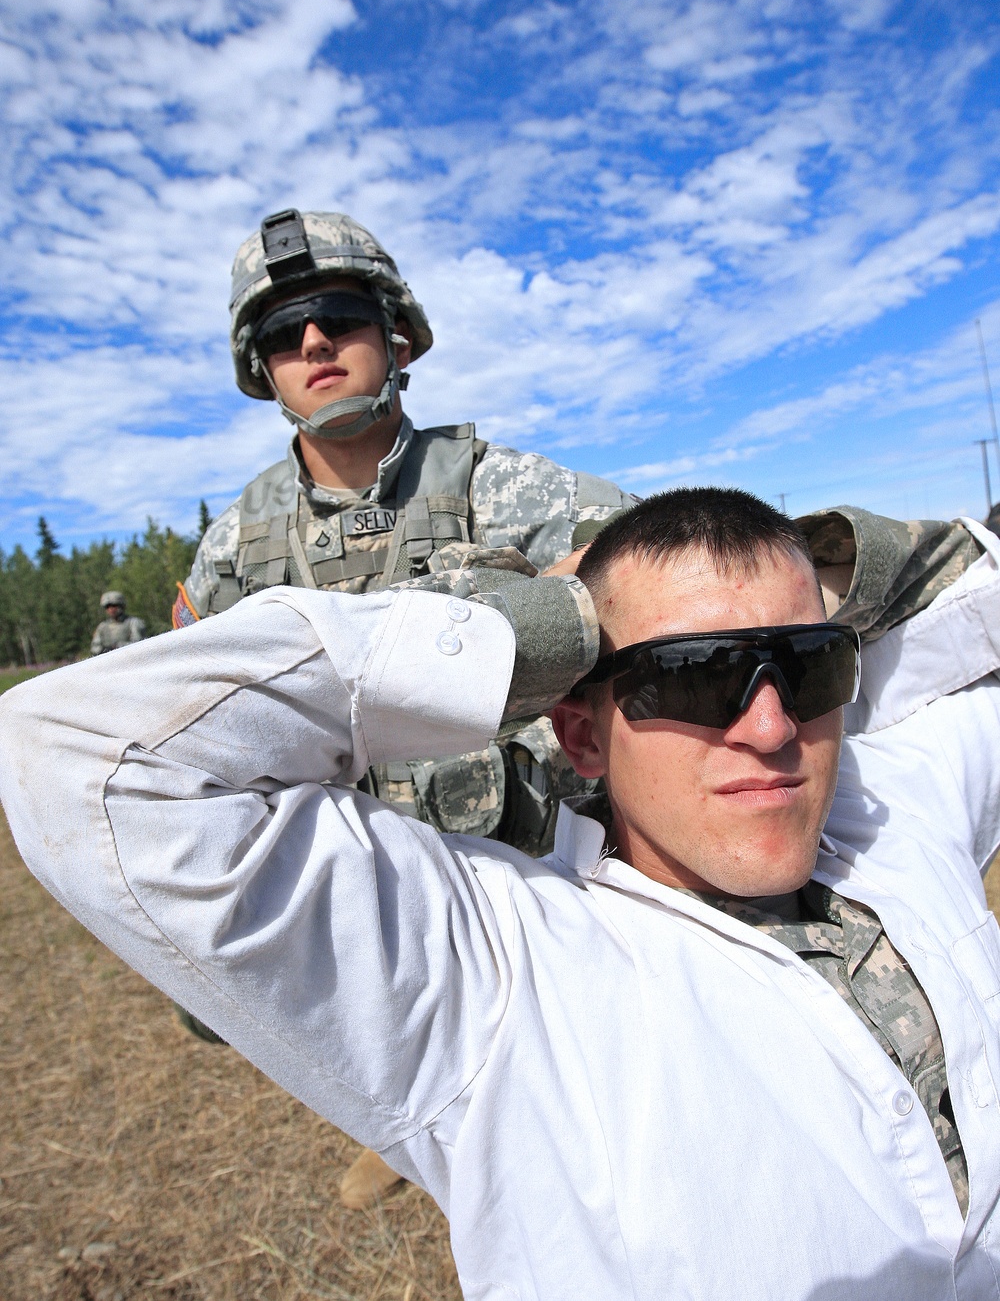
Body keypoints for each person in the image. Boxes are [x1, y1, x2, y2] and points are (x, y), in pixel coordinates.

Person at [3, 486, 999, 1300]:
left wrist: (807, 563)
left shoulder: (891, 807)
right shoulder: (496, 971)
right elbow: (83, 756)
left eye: (808, 663)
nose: (771, 726)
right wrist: (542, 625)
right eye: (697, 677)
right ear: (578, 733)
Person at [170, 206, 633, 1205]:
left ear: (396, 335)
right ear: (263, 369)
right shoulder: (233, 547)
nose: (311, 343)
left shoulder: (485, 483)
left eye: (336, 314)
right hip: (353, 901)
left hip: (516, 878)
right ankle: (411, 1109)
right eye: (279, 334)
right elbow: (175, 729)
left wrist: (503, 618)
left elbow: (645, 549)